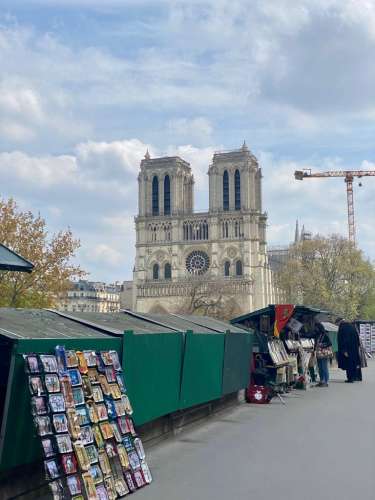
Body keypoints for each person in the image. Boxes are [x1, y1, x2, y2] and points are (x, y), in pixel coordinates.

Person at [336, 318, 362, 383]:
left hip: (347, 349)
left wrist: (344, 350)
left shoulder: (343, 328)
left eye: (337, 323)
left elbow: (343, 340)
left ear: (339, 322)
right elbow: (357, 338)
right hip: (354, 349)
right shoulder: (352, 327)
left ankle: (350, 378)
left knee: (348, 364)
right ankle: (356, 377)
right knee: (354, 363)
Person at [314, 322, 332, 387]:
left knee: (324, 367)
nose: (315, 328)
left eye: (316, 327)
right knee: (320, 367)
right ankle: (322, 380)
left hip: (324, 353)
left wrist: (322, 345)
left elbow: (330, 343)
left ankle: (326, 381)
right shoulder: (317, 335)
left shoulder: (325, 335)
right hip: (318, 353)